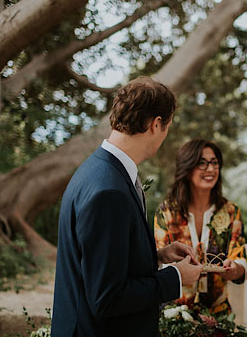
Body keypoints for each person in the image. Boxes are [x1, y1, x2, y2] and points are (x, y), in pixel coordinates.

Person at [51, 77, 202, 337]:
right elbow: (107, 297)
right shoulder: (109, 191)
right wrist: (174, 279)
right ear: (156, 124)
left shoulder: (98, 170)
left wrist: (158, 256)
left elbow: (100, 263)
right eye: (167, 127)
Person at [153, 139, 247, 316]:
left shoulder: (231, 212)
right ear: (187, 169)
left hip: (218, 315)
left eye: (214, 163)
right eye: (202, 163)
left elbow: (240, 258)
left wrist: (235, 269)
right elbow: (159, 261)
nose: (210, 169)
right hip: (174, 315)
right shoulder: (166, 212)